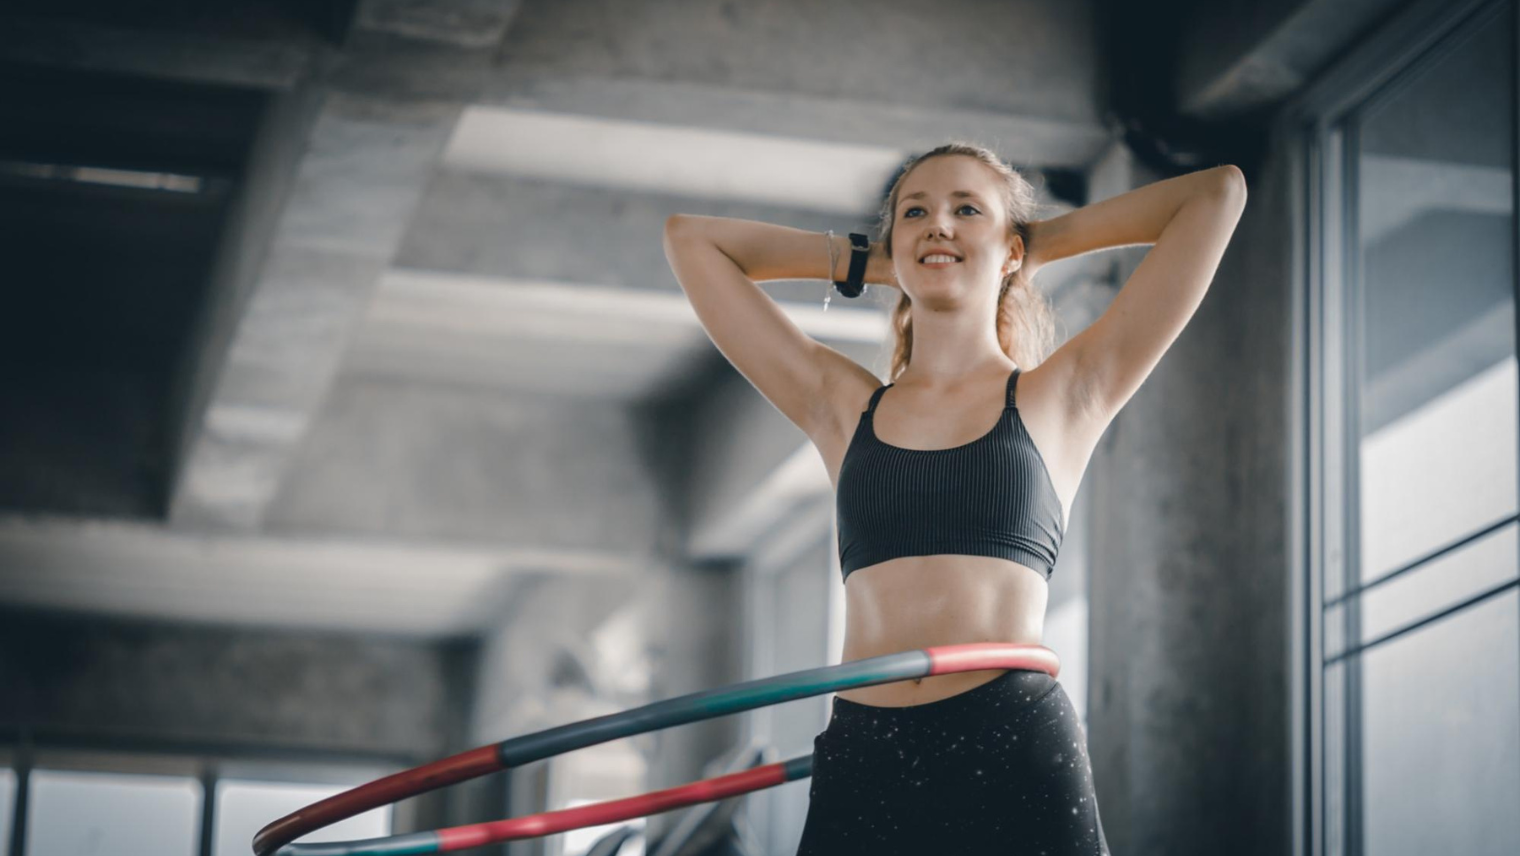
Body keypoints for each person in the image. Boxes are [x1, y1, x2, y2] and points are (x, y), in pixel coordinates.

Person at [662, 141, 1247, 854]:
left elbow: (1215, 196)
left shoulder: (1060, 396)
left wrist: (1028, 245)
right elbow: (691, 241)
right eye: (916, 212)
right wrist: (873, 262)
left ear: (1009, 250)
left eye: (966, 208)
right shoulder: (841, 406)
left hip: (1011, 739)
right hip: (867, 750)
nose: (939, 223)